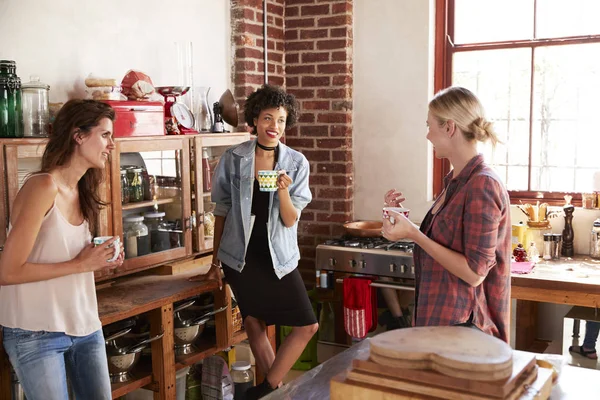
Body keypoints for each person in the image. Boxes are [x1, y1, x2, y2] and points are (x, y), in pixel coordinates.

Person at [190, 84, 317, 399]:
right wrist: (215, 263)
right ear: (256, 120)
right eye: (268, 118)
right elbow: (222, 211)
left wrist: (283, 190)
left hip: (279, 258)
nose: (275, 127)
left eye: (282, 120)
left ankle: (266, 388)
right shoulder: (234, 158)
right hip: (240, 258)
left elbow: (290, 219)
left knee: (307, 326)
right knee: (253, 322)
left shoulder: (297, 163)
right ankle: (277, 393)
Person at [0, 99, 124, 400]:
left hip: (84, 323)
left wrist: (101, 259)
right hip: (35, 332)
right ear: (78, 135)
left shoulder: (82, 190)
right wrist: (82, 264)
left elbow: (67, 257)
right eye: (105, 135)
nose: (111, 145)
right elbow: (8, 271)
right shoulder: (42, 187)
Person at [382, 86, 511, 342]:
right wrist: (400, 222)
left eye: (430, 126)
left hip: (465, 330)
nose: (428, 135)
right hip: (442, 324)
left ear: (450, 128)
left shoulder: (483, 185)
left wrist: (413, 234)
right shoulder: (457, 181)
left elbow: (474, 274)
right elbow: (443, 243)